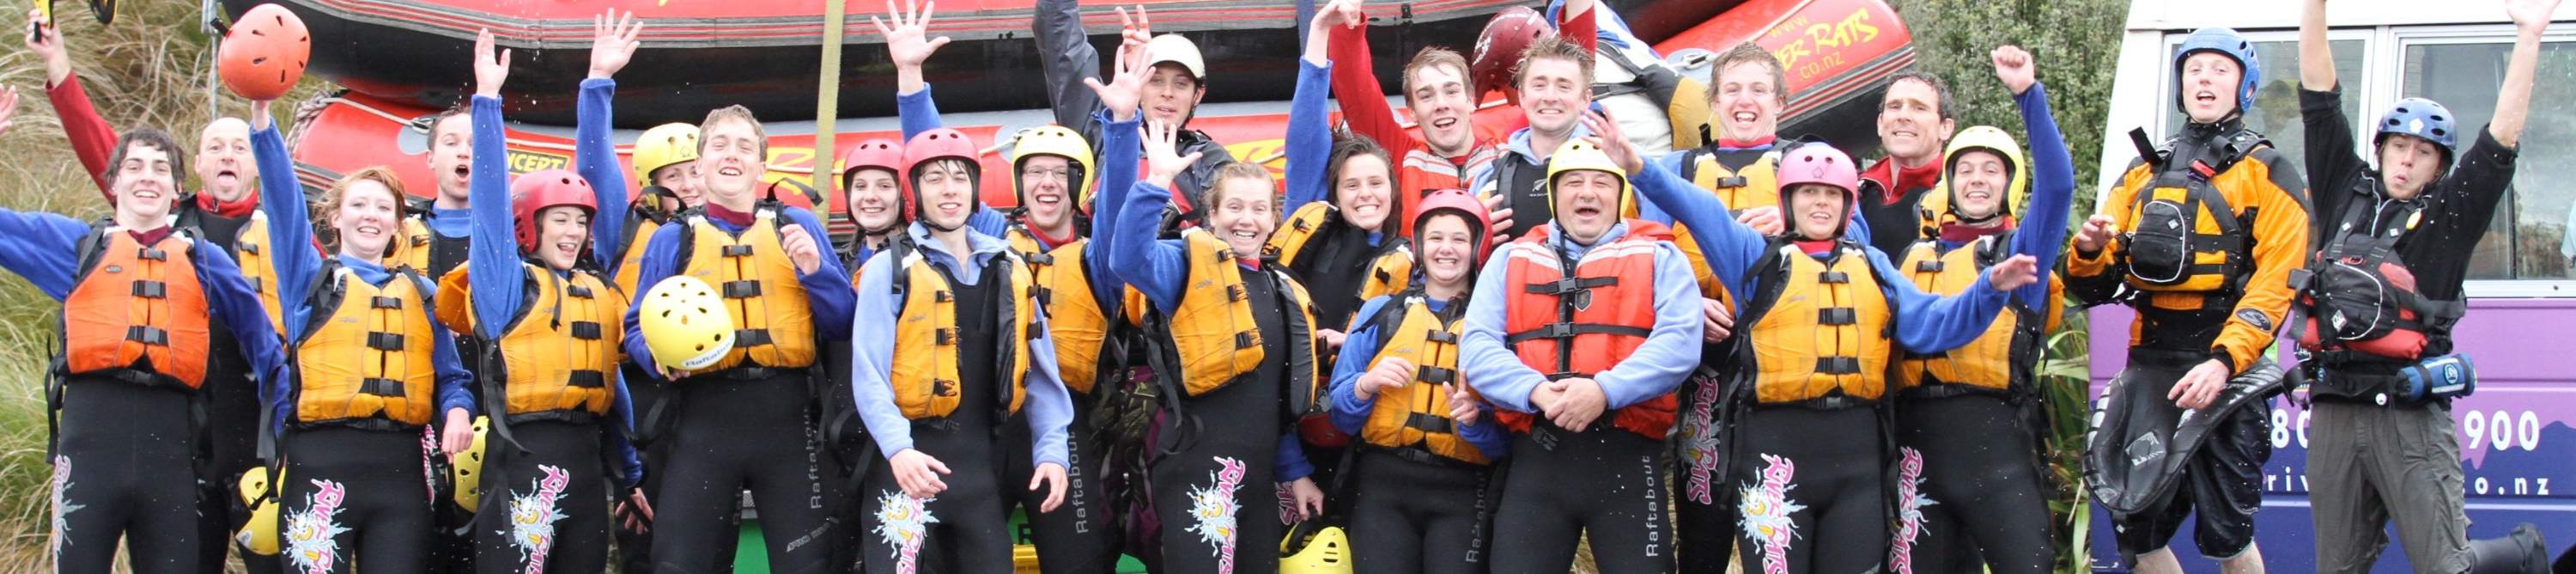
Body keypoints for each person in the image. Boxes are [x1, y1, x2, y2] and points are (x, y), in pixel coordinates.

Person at [1625, 102, 2039, 572]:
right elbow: (1698, 210)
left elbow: (1939, 324)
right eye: (1808, 193)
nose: (1820, 203)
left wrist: (1989, 288)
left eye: (1832, 194)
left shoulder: (1875, 267)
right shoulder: (1754, 262)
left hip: (1857, 472)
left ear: (1848, 205)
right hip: (1774, 464)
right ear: (1787, 201)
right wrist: (1640, 168)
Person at [27, 11, 301, 571]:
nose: (228, 156)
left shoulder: (283, 234)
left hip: (247, 440)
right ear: (194, 171)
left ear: (258, 162)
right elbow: (105, 149)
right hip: (178, 439)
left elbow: (300, 329)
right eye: (215, 148)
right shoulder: (159, 229)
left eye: (240, 148)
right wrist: (58, 67)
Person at [2295, 0, 2559, 571]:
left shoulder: (2447, 220)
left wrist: (2530, 36)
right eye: (2399, 147)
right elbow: (2318, 100)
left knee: (2445, 566)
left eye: (2423, 154)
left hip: (2408, 416)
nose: (2407, 160)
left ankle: (2520, 556)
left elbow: (2499, 146)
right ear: (2382, 150)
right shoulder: (2346, 191)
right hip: (2336, 410)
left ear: (2437, 168)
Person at [2068, 27, 2311, 574]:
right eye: (2194, 69)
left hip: (2231, 371)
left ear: (2243, 87)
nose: (2205, 78)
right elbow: (2096, 283)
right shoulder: (2141, 172)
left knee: (2226, 533)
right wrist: (2088, 251)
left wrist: (2223, 363)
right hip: (2151, 362)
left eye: (2220, 70)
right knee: (2136, 526)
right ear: (2181, 84)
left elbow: (2275, 286)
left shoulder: (2269, 173)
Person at [425, 15, 652, 572]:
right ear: (531, 226)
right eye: (560, 221)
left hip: (587, 466)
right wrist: (487, 102)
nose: (573, 232)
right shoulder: (506, 286)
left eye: (580, 221)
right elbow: (489, 205)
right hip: (524, 459)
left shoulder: (593, 288)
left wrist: (629, 475)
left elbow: (614, 392)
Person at [251, 83, 479, 574]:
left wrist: (458, 413)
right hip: (320, 464)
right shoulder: (308, 281)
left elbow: (452, 376)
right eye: (358, 205)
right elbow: (285, 207)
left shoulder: (421, 292)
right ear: (335, 217)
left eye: (382, 208)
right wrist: (264, 124)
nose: (370, 216)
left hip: (400, 475)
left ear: (398, 224)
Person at [619, 101, 855, 571]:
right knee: (679, 564)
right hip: (704, 420)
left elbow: (842, 323)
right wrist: (658, 358)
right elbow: (634, 328)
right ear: (701, 165)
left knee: (810, 565)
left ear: (761, 165)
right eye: (720, 145)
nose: (732, 154)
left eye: (744, 146)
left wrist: (816, 272)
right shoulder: (672, 239)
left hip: (789, 423)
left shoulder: (798, 226)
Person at [1456, 135, 1700, 572]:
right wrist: (1536, 391)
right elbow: (1476, 346)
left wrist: (1604, 391)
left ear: (1621, 195)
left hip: (1627, 459)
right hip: (1538, 454)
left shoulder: (1661, 256)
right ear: (1553, 196)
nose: (1587, 193)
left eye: (1601, 183)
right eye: (1572, 183)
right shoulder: (1509, 258)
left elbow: (1680, 344)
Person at [847, 125, 1078, 573]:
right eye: (934, 178)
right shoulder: (887, 270)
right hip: (905, 475)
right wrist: (899, 449)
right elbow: (868, 376)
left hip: (978, 485)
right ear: (914, 190)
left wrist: (1052, 453)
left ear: (974, 188)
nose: (949, 190)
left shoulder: (1010, 267)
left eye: (959, 177)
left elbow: (1045, 382)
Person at [1884, 46, 2075, 574]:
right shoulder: (1912, 256)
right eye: (1964, 169)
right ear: (1949, 181)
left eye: (1992, 170)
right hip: (1916, 450)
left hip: (1997, 445)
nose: (1976, 178)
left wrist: (2027, 94)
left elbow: (2059, 186)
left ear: (2008, 184)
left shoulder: (2022, 252)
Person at [1109, 120, 1325, 574]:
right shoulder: (1184, 266)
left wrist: (1295, 472)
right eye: (1235, 207)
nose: (1246, 219)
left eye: (1259, 209)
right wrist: (1156, 181)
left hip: (1259, 487)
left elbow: (1271, 398)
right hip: (1195, 475)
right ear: (1212, 215)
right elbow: (1127, 257)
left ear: (1273, 220)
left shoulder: (1280, 288)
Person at [1326, 189, 1507, 573]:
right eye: (1436, 238)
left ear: (1477, 247)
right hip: (1383, 487)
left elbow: (1508, 438)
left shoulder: (1495, 323)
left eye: (1460, 239)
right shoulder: (1380, 312)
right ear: (1420, 245)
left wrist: (1476, 420)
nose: (1447, 249)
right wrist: (1366, 385)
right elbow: (1338, 413)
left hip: (1462, 491)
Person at [1285, 0, 1417, 349]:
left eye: (1376, 183)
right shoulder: (1313, 226)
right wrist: (1318, 32)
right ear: (1336, 194)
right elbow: (1305, 136)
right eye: (1352, 185)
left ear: (1393, 190)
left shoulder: (1410, 256)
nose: (1366, 194)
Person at [1036, 0, 1236, 220]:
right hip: (1102, 253)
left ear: (1197, 94)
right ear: (1140, 86)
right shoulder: (1104, 132)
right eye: (1156, 81)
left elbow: (1229, 231)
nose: (1167, 93)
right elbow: (1064, 56)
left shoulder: (1209, 159)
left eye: (1180, 84)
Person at [1315, 0, 1499, 217]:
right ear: (1412, 111)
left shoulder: (1509, 153)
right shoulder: (1399, 157)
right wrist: (1346, 24)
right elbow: (1354, 86)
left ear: (1470, 99)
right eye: (1426, 96)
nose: (1441, 104)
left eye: (1451, 91)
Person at [1467, 37, 1615, 243]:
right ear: (1522, 97)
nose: (1550, 96)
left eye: (1564, 87)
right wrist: (1475, 244)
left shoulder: (1618, 165)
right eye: (1539, 85)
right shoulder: (1489, 177)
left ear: (1586, 100)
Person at [1856, 70, 1958, 259]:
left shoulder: (1962, 195)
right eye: (1895, 107)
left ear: (1945, 128)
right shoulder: (1854, 194)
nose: (1903, 116)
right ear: (1880, 123)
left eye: (1919, 108)